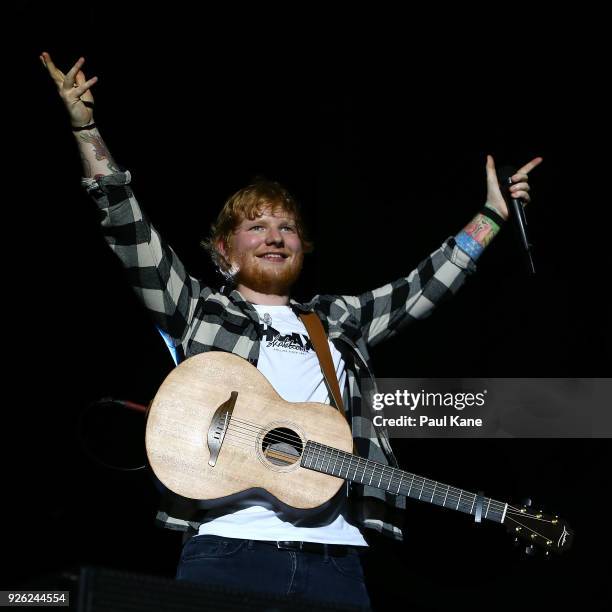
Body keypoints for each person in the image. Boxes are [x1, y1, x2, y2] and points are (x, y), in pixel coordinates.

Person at [41, 52, 541, 609]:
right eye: (256, 227)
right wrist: (85, 129)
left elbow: (423, 286)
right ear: (224, 250)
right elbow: (127, 226)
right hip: (224, 552)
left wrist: (492, 216)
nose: (274, 236)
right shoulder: (199, 311)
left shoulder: (338, 321)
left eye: (287, 227)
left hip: (337, 563)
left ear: (303, 247)